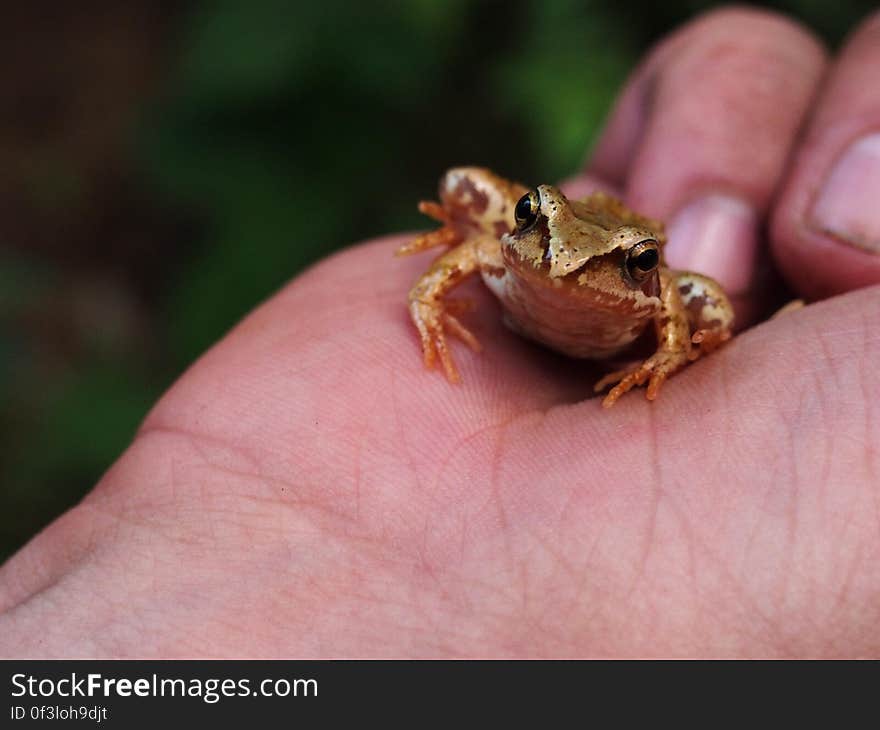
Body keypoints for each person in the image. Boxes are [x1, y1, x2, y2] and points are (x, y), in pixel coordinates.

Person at [1, 6, 878, 657]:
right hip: (572, 231)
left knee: (717, 304)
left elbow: (693, 312)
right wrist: (431, 298)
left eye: (629, 263)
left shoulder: (653, 294)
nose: (563, 268)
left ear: (646, 266)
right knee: (480, 191)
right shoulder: (513, 248)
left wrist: (668, 359)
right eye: (530, 228)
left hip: (620, 270)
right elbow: (472, 255)